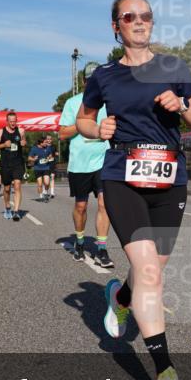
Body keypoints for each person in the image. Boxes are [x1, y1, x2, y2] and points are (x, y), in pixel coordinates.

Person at [76, 0, 191, 380]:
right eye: (129, 16)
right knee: (149, 270)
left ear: (152, 23)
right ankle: (166, 375)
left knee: (150, 270)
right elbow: (82, 119)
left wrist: (183, 104)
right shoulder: (103, 75)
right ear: (115, 26)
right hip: (121, 176)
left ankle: (119, 297)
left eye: (145, 16)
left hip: (170, 178)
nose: (139, 22)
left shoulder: (173, 67)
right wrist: (97, 130)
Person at [59, 80, 113, 268]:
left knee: (104, 204)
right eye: (90, 80)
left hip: (104, 160)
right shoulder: (73, 103)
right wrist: (83, 123)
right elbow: (62, 134)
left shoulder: (108, 102)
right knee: (81, 206)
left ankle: (102, 249)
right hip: (79, 164)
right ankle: (80, 242)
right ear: (84, 82)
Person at [0, 111, 27, 221]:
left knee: (17, 185)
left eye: (14, 121)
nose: (13, 123)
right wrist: (4, 144)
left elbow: (24, 141)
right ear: (7, 121)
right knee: (7, 189)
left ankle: (16, 211)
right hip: (5, 163)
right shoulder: (0, 132)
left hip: (17, 163)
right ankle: (8, 208)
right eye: (11, 121)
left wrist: (24, 143)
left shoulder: (21, 131)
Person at [28, 137, 53, 202]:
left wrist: (49, 157)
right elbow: (29, 158)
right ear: (41, 143)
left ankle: (45, 192)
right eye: (45, 142)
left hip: (46, 167)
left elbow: (50, 155)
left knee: (47, 183)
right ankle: (41, 196)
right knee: (39, 184)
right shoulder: (34, 149)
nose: (46, 143)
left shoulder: (48, 148)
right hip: (37, 168)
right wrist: (34, 159)